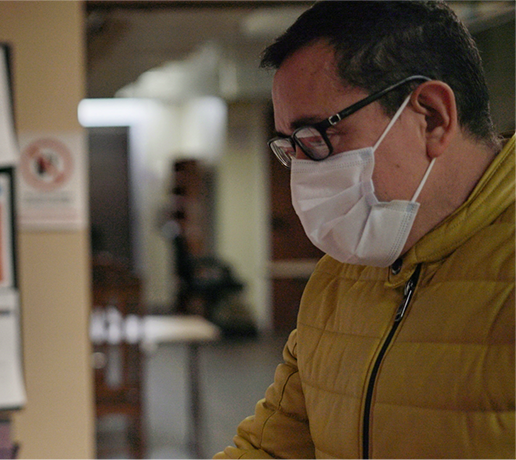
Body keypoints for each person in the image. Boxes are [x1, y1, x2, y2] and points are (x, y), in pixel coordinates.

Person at [213, 0, 516, 459]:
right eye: (289, 146)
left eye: (316, 137)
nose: (302, 170)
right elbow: (274, 448)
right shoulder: (338, 278)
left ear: (432, 117)